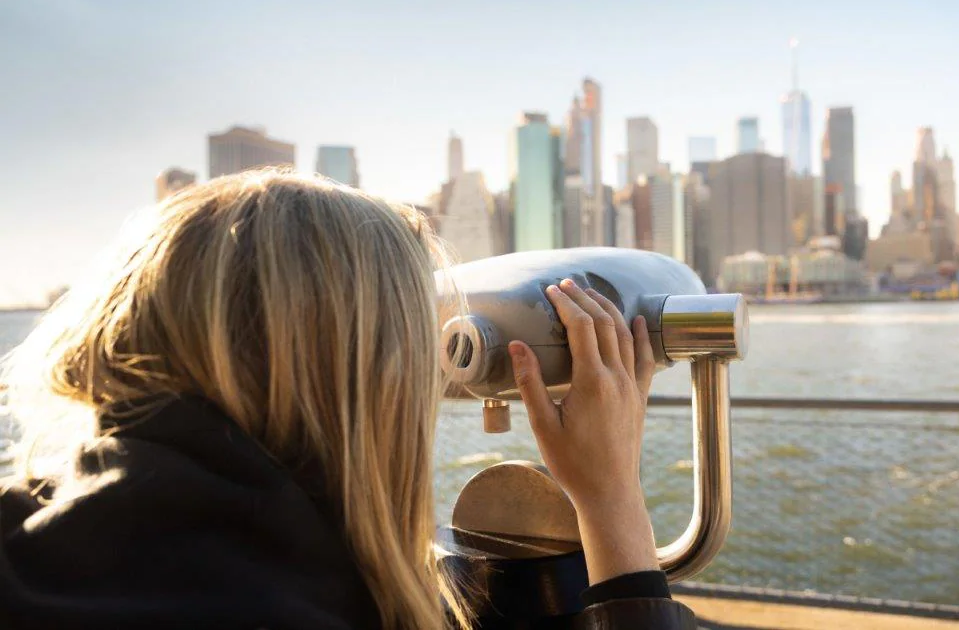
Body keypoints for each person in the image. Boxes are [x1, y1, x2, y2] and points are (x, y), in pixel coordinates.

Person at [0, 172, 696, 629]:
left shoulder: (26, 533)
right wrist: (610, 503)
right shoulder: (291, 604)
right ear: (358, 376)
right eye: (412, 343)